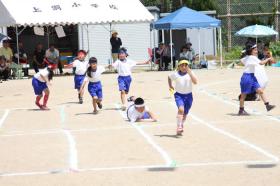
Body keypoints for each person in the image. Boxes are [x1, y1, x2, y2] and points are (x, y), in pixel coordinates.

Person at [238, 42, 275, 115]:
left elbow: (241, 60)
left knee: (260, 91)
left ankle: (267, 105)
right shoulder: (252, 57)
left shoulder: (247, 57)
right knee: (243, 95)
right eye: (255, 50)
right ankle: (241, 110)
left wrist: (245, 54)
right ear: (251, 51)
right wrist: (268, 59)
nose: (256, 51)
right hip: (247, 77)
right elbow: (261, 63)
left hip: (252, 76)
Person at [168, 58, 198, 135]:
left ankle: (181, 125)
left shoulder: (190, 73)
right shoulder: (176, 74)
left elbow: (195, 82)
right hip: (179, 95)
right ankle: (179, 126)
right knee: (181, 109)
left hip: (189, 96)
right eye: (182, 65)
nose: (184, 67)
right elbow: (169, 77)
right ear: (179, 66)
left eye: (186, 65)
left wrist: (190, 73)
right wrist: (170, 85)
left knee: (185, 114)